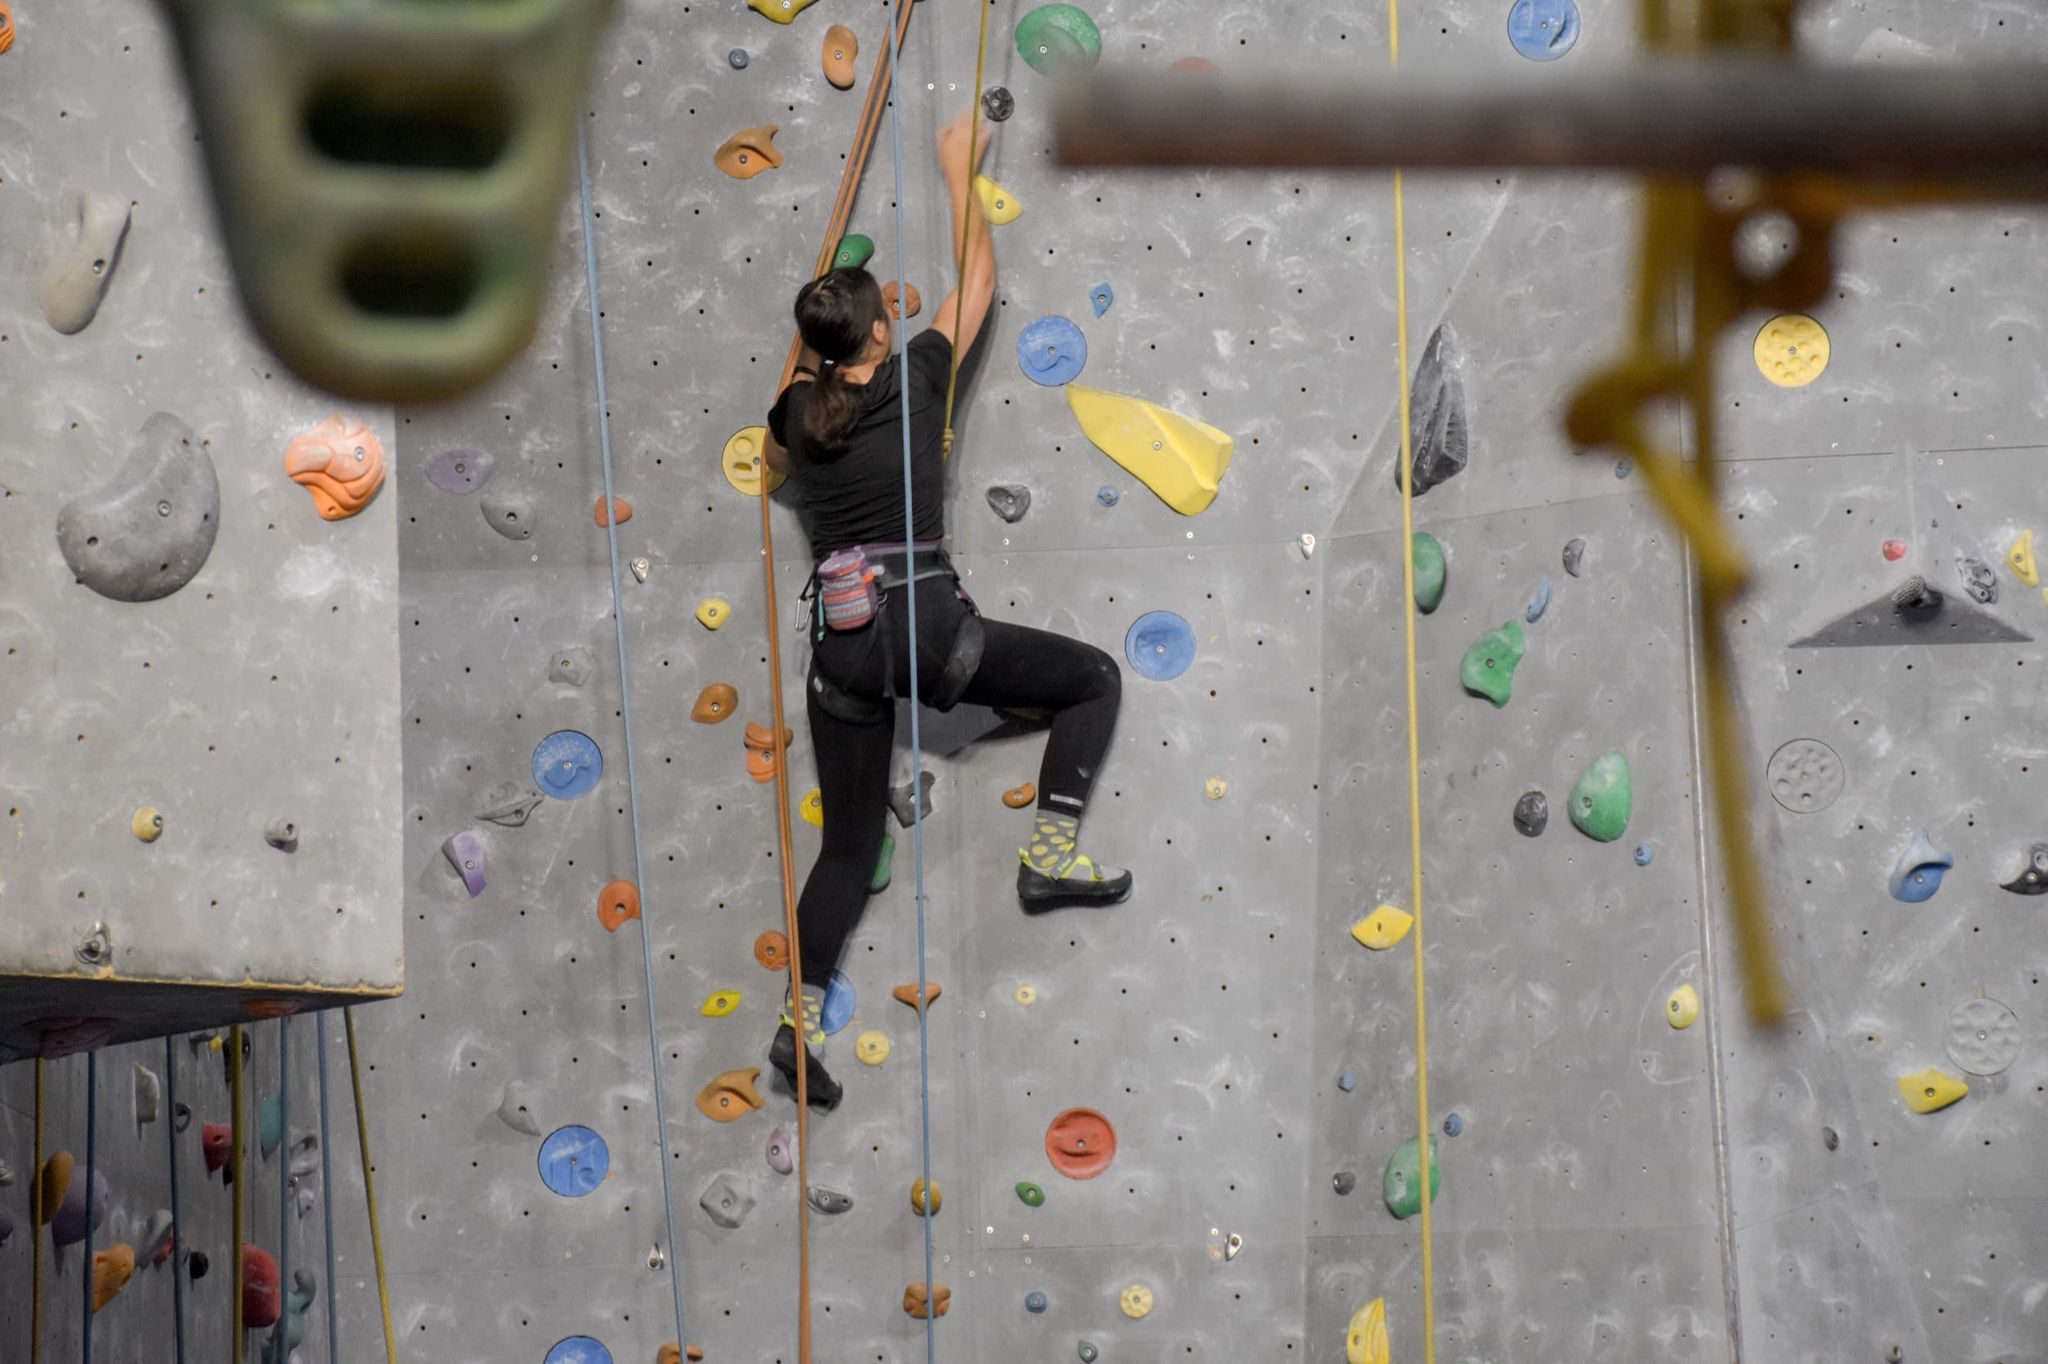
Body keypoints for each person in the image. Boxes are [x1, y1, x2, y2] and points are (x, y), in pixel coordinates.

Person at [759, 109, 1130, 1109]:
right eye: (884, 309)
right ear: (881, 330)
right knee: (1091, 678)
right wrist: (960, 169)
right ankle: (1049, 853)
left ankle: (796, 1027)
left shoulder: (798, 409)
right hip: (927, 629)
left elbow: (776, 458)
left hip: (841, 646)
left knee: (845, 847)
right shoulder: (920, 375)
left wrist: (811, 343)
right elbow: (979, 285)